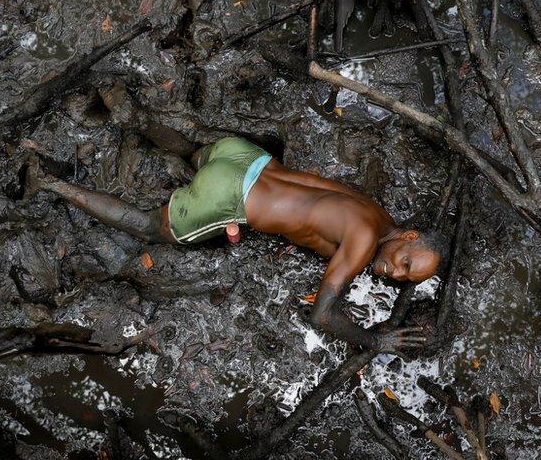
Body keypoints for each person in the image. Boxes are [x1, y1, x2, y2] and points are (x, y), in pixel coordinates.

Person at [26, 136, 445, 352]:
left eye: (404, 278)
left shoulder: (379, 216)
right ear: (407, 237)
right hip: (229, 194)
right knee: (148, 227)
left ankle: (130, 112)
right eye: (405, 262)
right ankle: (48, 181)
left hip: (247, 157)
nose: (395, 274)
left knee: (196, 154)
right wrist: (375, 340)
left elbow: (316, 217)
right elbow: (321, 316)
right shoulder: (364, 240)